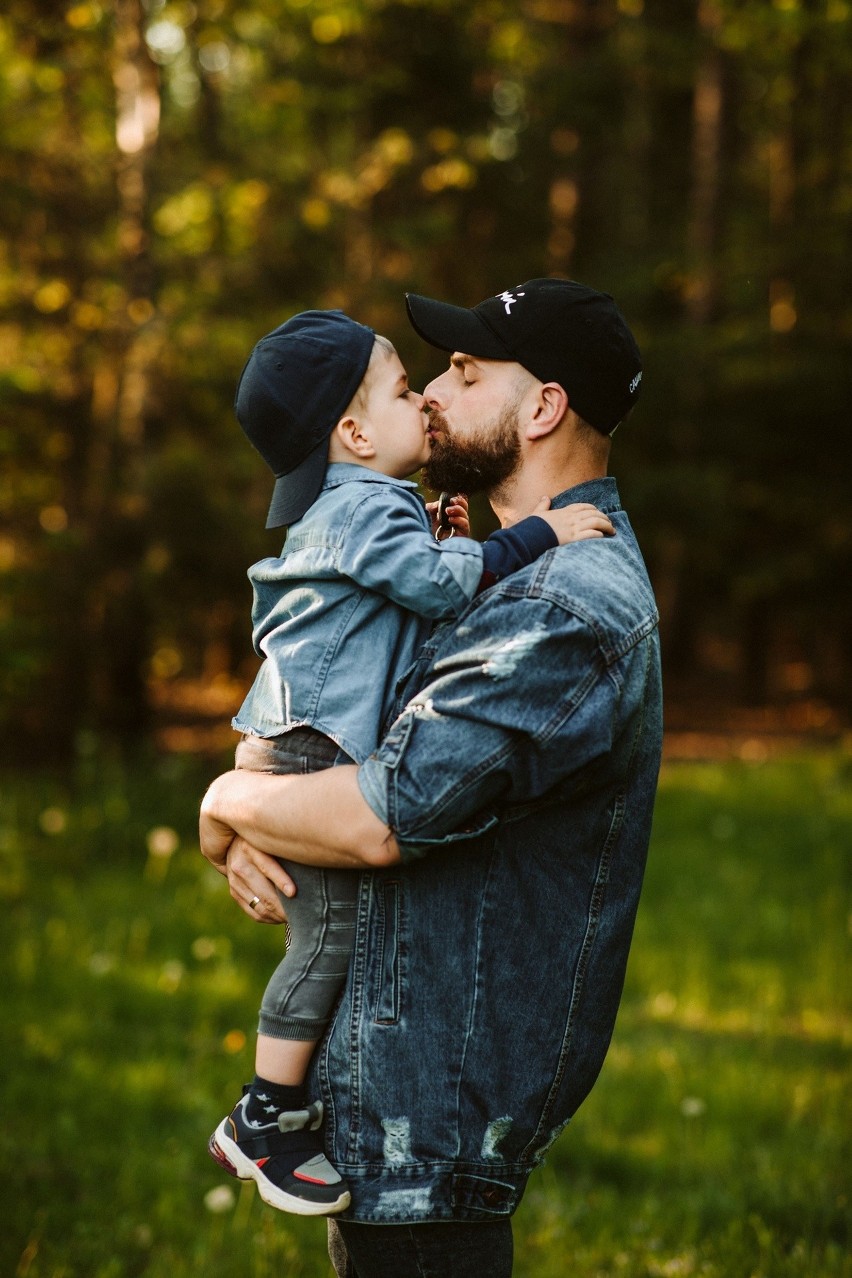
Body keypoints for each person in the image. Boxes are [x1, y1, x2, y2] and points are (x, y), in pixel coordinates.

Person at [200, 278, 663, 1277]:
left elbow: (382, 814)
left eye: (464, 370)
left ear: (543, 408)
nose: (435, 392)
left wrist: (227, 800)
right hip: (400, 1105)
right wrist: (271, 806)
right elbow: (344, 696)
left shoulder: (565, 605)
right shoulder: (492, 568)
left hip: (431, 1121)